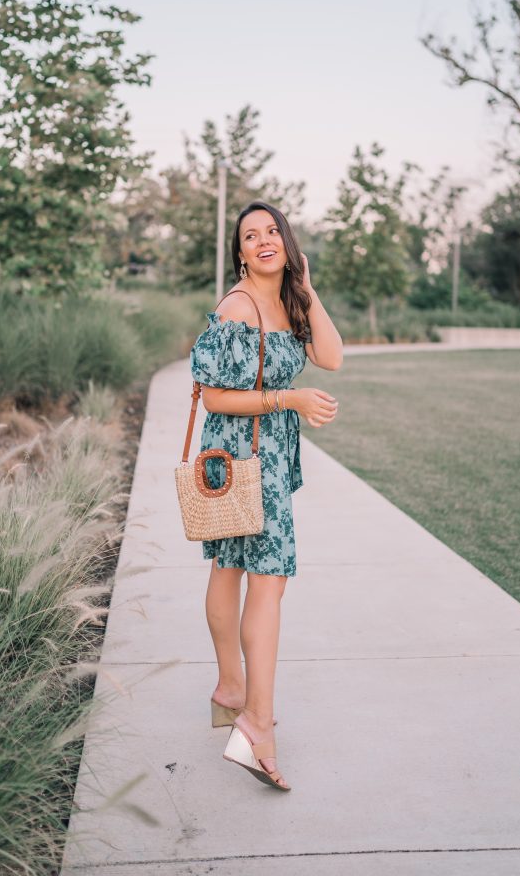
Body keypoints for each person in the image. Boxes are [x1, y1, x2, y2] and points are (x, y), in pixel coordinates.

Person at [189, 199, 343, 791]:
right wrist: (293, 400)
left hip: (264, 454)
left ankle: (231, 689)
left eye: (271, 230)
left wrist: (307, 287)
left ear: (286, 241)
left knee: (231, 567)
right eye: (249, 235)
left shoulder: (287, 301)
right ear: (240, 252)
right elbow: (214, 397)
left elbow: (330, 357)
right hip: (239, 452)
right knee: (268, 578)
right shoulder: (238, 306)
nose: (262, 240)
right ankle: (256, 721)